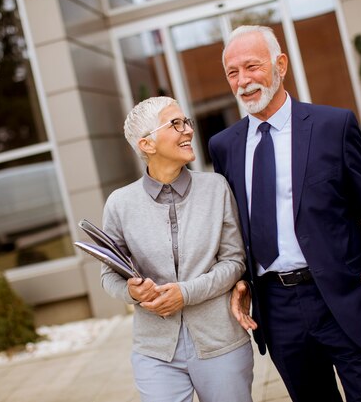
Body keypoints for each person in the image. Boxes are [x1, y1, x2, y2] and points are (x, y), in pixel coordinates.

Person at [208, 25, 361, 402]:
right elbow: (239, 227)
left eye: (252, 67)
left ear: (281, 65)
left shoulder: (333, 126)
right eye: (233, 72)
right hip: (277, 312)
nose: (243, 81)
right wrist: (240, 278)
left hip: (345, 295)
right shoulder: (224, 147)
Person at [100, 96, 254, 402]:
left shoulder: (216, 188)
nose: (187, 131)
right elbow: (109, 276)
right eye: (176, 124)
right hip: (155, 351)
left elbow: (234, 261)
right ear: (147, 145)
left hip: (219, 341)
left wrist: (186, 293)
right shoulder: (119, 204)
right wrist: (133, 293)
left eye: (187, 122)